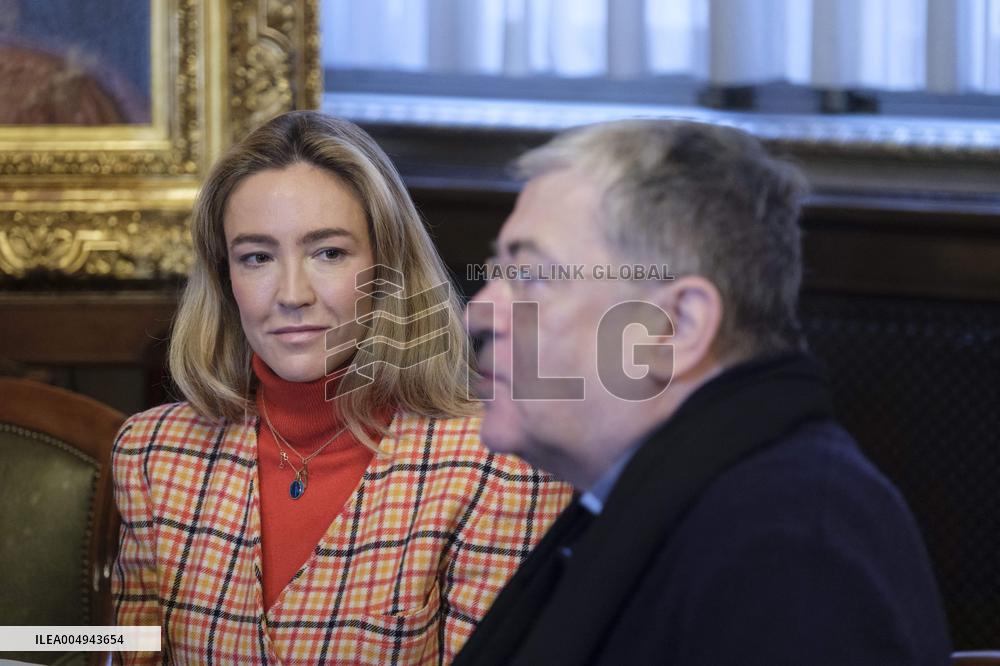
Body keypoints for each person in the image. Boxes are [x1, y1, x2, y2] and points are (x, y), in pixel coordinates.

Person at [457, 120, 951, 665]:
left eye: (529, 276)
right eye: (496, 272)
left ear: (676, 327)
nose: (479, 311)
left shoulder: (791, 552)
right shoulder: (666, 497)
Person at [111, 110, 571, 664]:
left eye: (328, 252)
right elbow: (126, 650)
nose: (292, 293)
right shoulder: (151, 453)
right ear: (225, 277)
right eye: (256, 257)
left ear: (387, 269)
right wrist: (22, 640)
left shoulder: (503, 463)